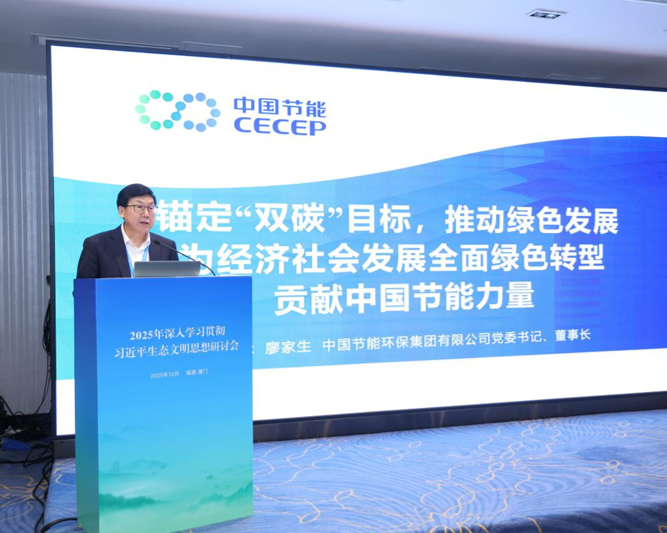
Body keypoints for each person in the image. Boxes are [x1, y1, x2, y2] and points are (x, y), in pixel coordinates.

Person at [76, 183, 179, 278]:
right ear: (122, 211)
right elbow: (83, 289)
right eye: (139, 207)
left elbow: (176, 287)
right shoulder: (97, 245)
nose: (146, 214)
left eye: (151, 208)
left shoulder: (167, 247)